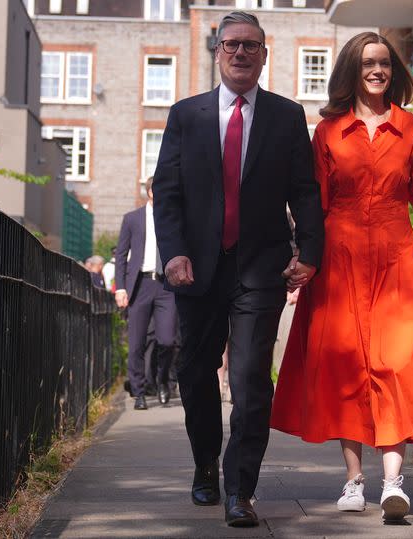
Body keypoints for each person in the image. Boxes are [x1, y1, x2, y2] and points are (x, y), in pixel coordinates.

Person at [270, 32, 413, 522]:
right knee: (347, 368)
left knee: (397, 363)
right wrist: (305, 261)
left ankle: (393, 482)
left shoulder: (412, 130)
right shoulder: (329, 133)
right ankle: (354, 480)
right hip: (340, 260)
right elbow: (312, 205)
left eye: (385, 65)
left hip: (397, 259)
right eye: (369, 63)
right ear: (352, 70)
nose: (378, 71)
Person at [152, 11, 324, 528]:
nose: (241, 53)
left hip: (260, 268)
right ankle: (206, 461)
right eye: (232, 44)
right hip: (197, 270)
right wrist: (174, 251)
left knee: (250, 379)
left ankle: (240, 488)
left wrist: (309, 252)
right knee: (195, 372)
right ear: (218, 52)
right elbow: (167, 191)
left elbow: (305, 192)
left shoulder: (286, 116)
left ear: (265, 55)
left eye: (252, 45)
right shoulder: (186, 115)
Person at [116, 177, 178, 410]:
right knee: (136, 343)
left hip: (165, 286)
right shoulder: (132, 219)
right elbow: (121, 255)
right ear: (150, 192)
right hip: (140, 285)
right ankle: (139, 391)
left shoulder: (173, 216)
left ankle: (162, 381)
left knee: (168, 340)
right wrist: (120, 288)